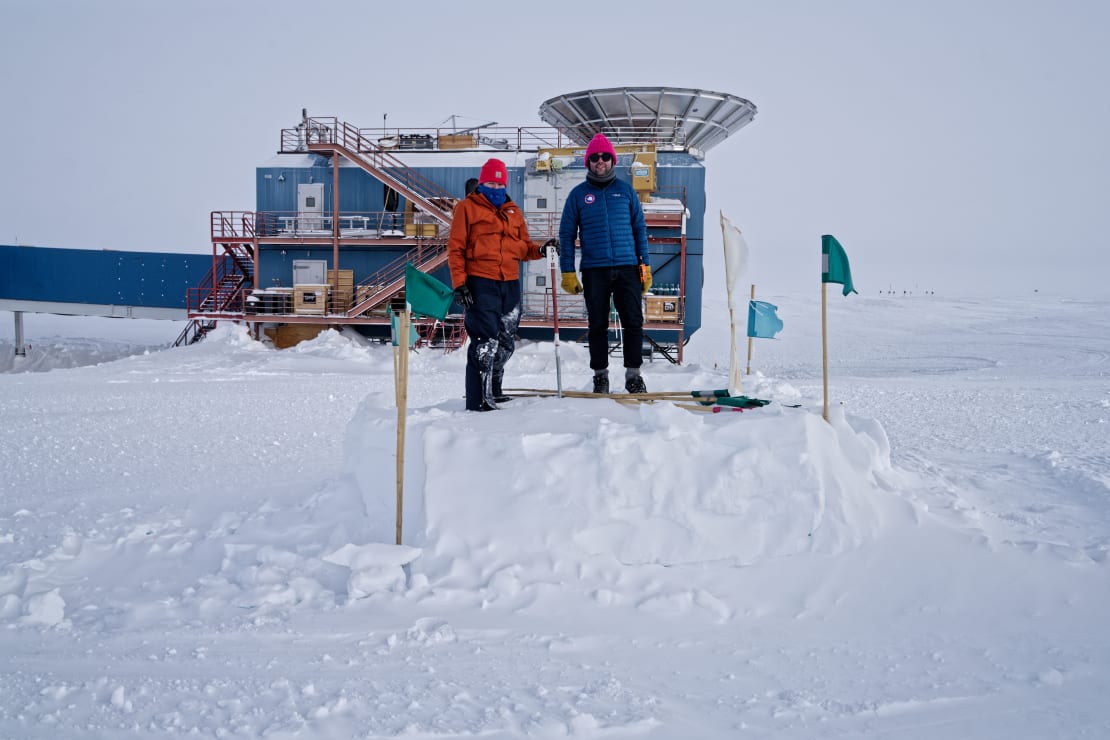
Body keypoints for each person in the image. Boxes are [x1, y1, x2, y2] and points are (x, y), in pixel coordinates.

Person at [448, 157, 558, 411]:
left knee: (506, 341)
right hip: (480, 282)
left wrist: (542, 249)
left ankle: (495, 388)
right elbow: (455, 248)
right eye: (490, 183)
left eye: (500, 184)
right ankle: (479, 399)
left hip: (509, 284)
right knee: (485, 342)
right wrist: (460, 284)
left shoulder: (514, 212)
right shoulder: (466, 208)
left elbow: (524, 248)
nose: (495, 189)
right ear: (481, 183)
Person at [558, 133, 652, 394]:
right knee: (597, 325)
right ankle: (601, 377)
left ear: (613, 160)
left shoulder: (626, 191)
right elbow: (566, 235)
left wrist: (645, 266)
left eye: (605, 157)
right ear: (588, 162)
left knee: (633, 322)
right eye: (595, 157)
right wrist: (567, 271)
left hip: (627, 268)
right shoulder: (578, 195)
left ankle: (634, 376)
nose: (601, 161)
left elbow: (639, 229)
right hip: (594, 270)